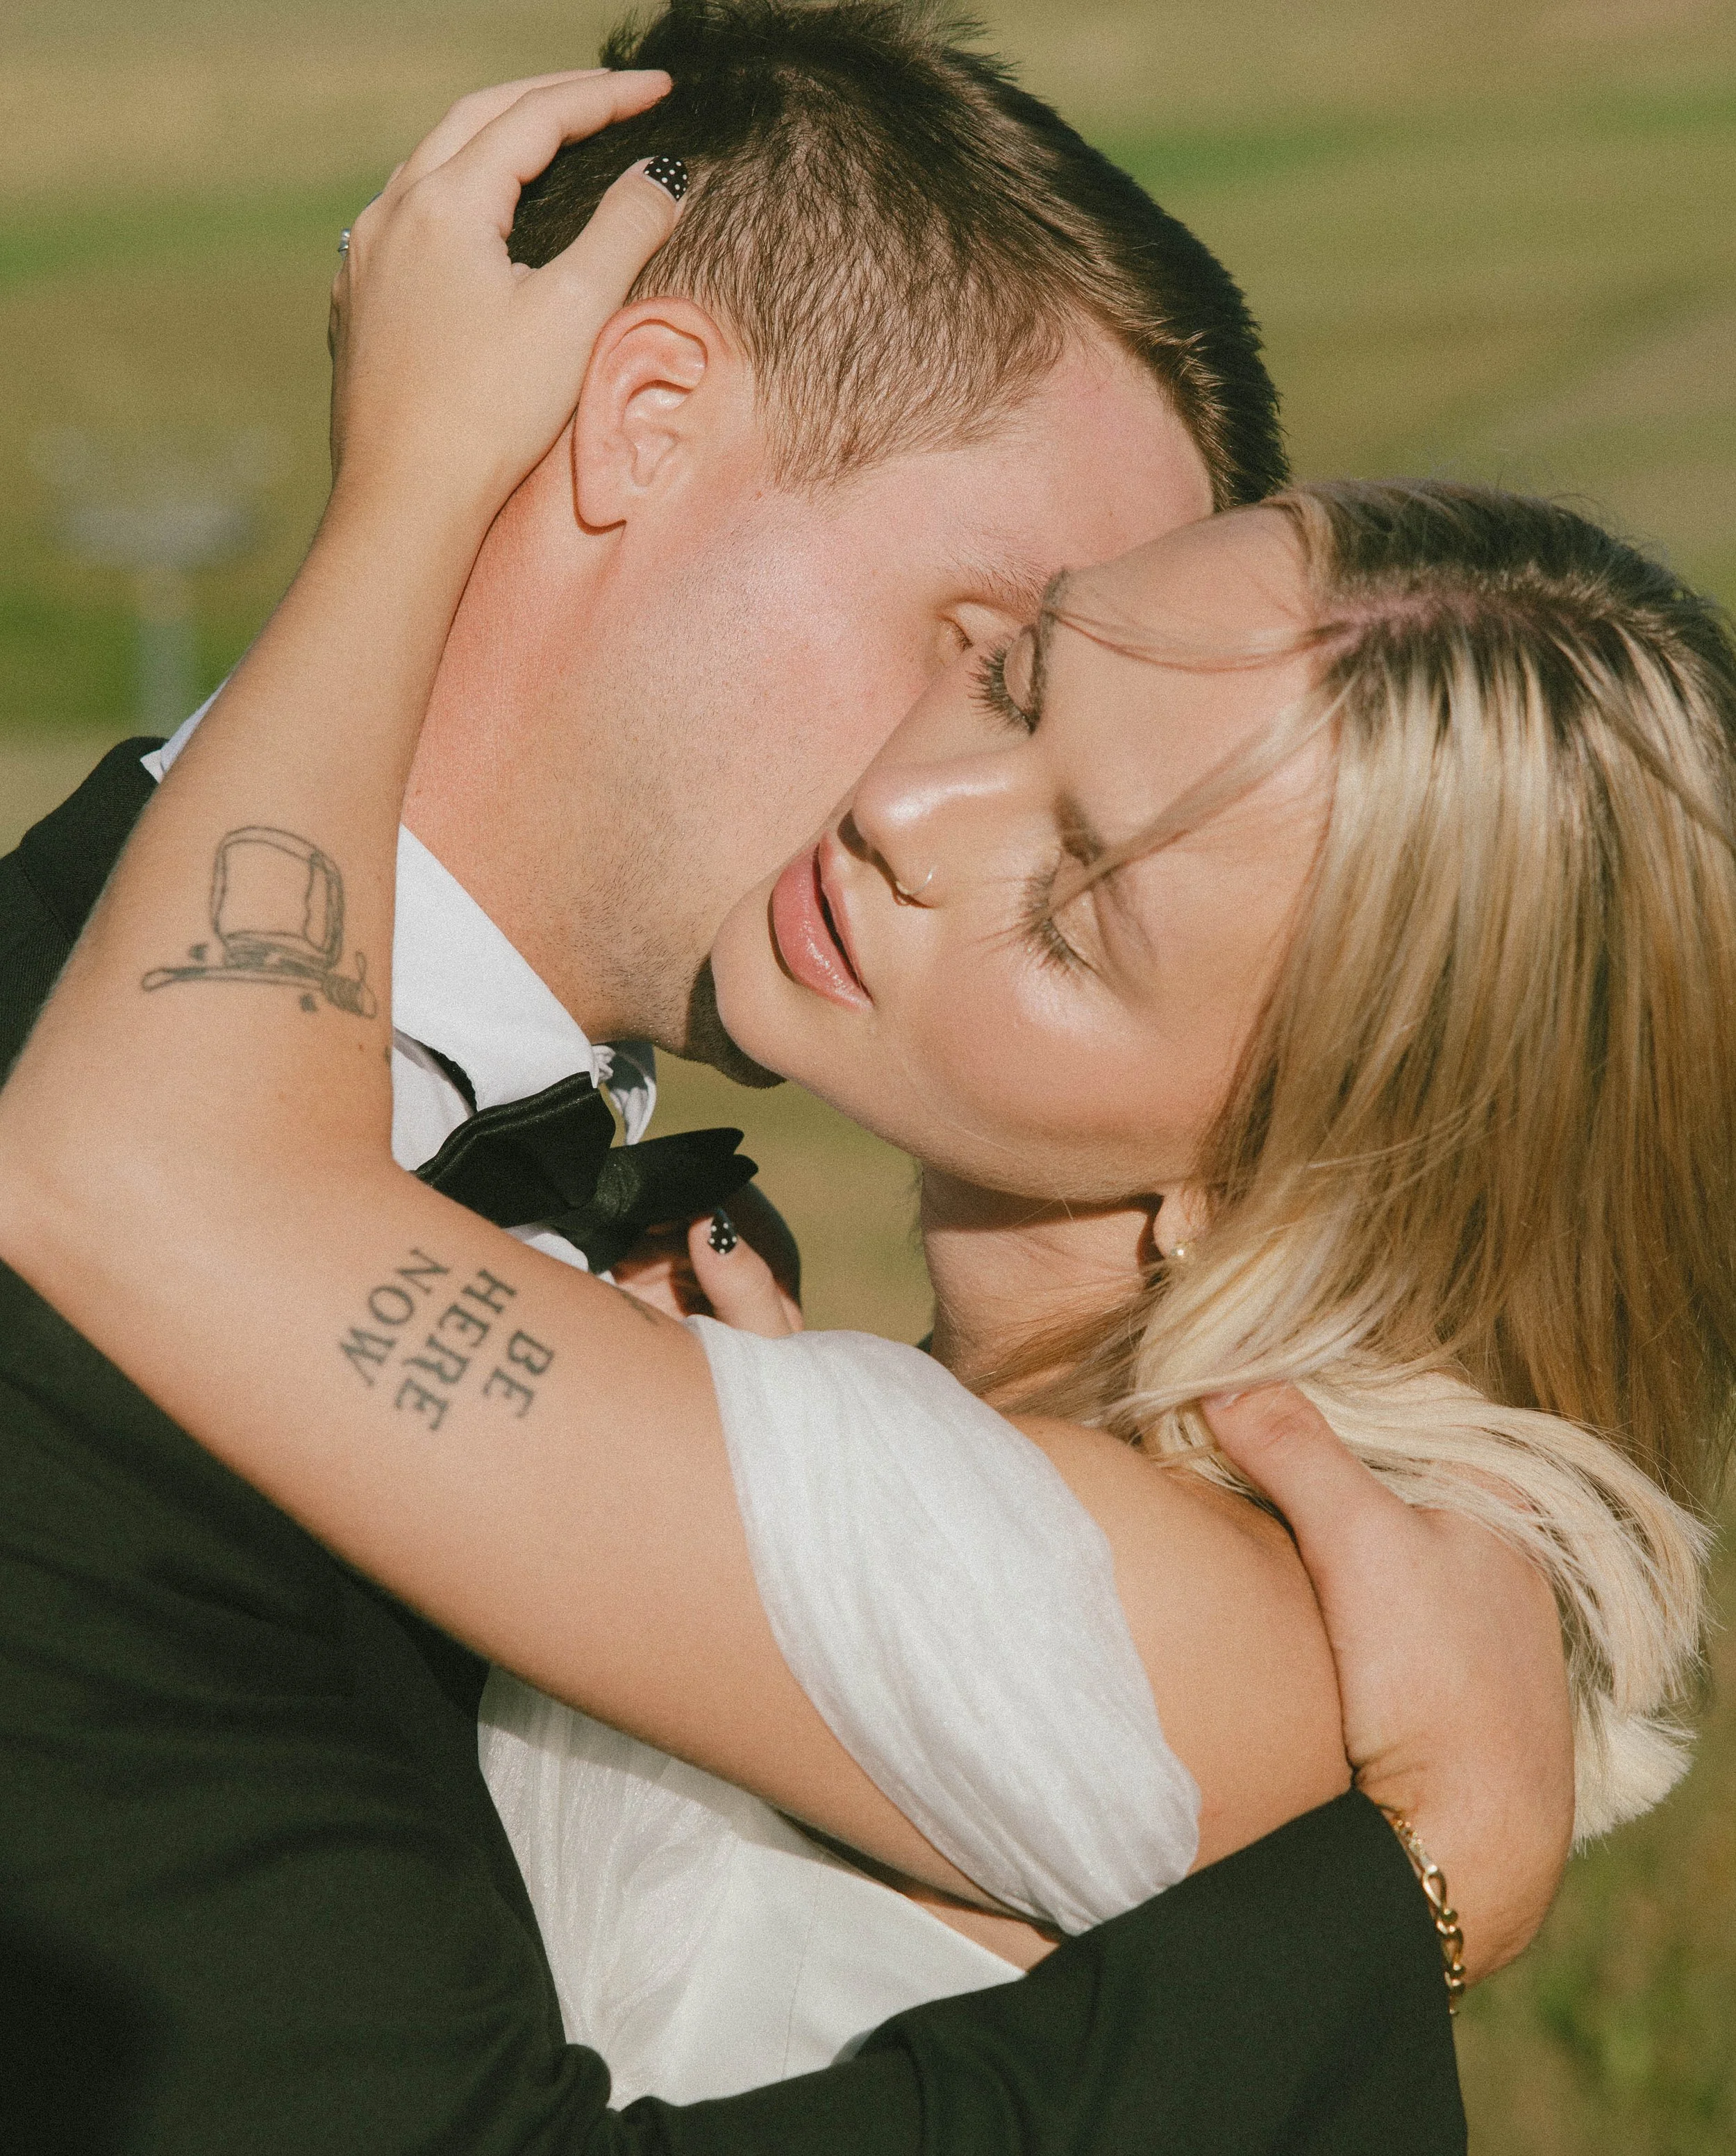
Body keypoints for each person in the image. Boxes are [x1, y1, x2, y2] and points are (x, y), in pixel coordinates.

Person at [7, 51, 1728, 2155]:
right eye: (997, 657)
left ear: (1275, 1165)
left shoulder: (1244, 1601)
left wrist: (415, 477)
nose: (909, 803)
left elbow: (155, 1178)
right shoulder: (784, 1379)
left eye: (1084, 905)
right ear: (638, 417)